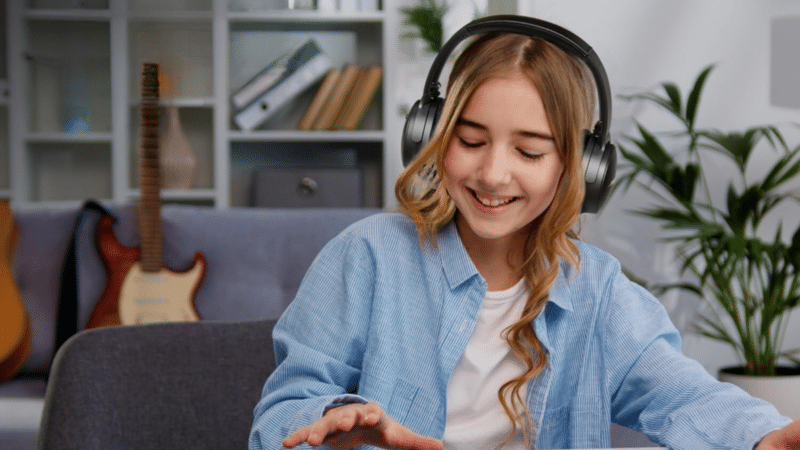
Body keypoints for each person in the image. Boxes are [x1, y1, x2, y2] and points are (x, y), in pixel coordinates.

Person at [249, 17, 800, 450]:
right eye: (470, 141)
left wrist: (761, 434)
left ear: (578, 168)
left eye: (530, 152)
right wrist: (332, 421)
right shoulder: (368, 256)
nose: (493, 174)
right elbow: (280, 414)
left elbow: (682, 393)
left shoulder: (598, 291)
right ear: (431, 136)